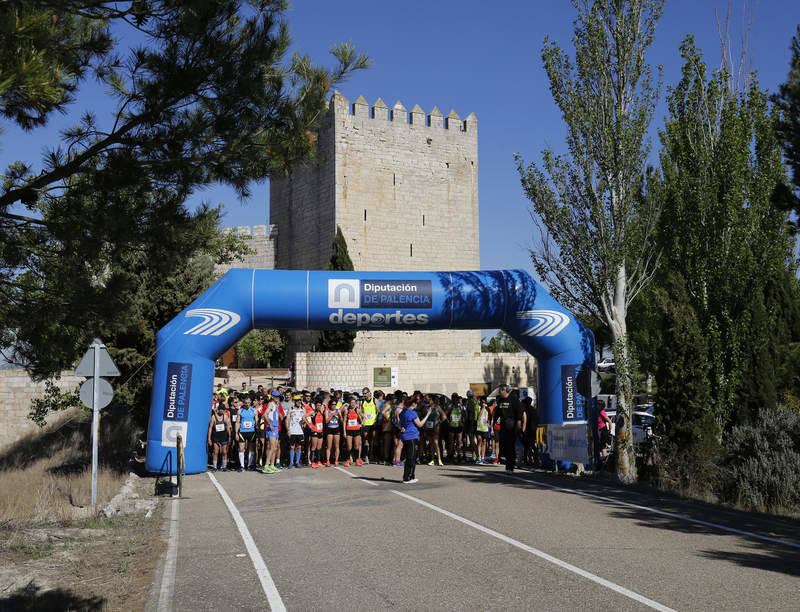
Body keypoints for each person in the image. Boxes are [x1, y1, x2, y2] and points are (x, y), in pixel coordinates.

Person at [399, 398, 432, 483]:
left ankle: (411, 476)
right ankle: (407, 477)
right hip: (411, 436)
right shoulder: (412, 413)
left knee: (410, 457)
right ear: (413, 404)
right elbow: (420, 424)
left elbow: (399, 423)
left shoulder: (402, 412)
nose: (417, 405)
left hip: (405, 436)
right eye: (416, 403)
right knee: (411, 457)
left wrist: (402, 427)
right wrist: (427, 415)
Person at [496, 385, 523, 473]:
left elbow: (520, 410)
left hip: (512, 426)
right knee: (503, 446)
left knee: (510, 446)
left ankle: (510, 466)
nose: (499, 392)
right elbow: (497, 412)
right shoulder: (501, 400)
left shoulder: (513, 399)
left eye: (500, 390)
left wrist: (519, 421)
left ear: (504, 390)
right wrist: (494, 422)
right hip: (503, 426)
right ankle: (508, 463)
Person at [261, 392, 282, 473]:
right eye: (276, 396)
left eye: (278, 397)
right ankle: (266, 465)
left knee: (275, 448)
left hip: (276, 427)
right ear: (272, 397)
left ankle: (272, 465)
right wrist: (269, 424)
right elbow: (265, 415)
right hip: (271, 427)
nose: (277, 398)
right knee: (272, 447)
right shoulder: (271, 404)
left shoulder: (276, 405)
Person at [207, 401, 231, 471]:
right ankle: (215, 467)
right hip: (216, 437)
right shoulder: (214, 417)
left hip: (224, 437)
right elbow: (210, 428)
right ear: (218, 410)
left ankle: (224, 466)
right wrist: (209, 438)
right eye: (220, 409)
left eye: (223, 410)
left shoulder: (225, 417)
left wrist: (229, 437)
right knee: (216, 452)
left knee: (224, 452)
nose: (221, 411)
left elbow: (228, 427)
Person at [424, 396, 447, 466]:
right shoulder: (426, 408)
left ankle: (439, 459)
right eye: (427, 400)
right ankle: (432, 460)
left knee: (436, 443)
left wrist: (439, 423)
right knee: (431, 444)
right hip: (428, 427)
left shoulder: (437, 407)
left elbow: (444, 416)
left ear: (432, 400)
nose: (428, 401)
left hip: (435, 428)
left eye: (429, 400)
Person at [238, 396, 257, 472]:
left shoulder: (254, 410)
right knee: (241, 448)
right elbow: (237, 422)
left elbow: (256, 421)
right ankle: (242, 466)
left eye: (249, 403)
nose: (247, 404)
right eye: (246, 403)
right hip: (242, 431)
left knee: (251, 449)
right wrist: (236, 432)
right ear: (244, 403)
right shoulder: (240, 410)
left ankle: (249, 465)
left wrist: (257, 428)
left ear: (250, 402)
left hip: (251, 431)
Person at [286, 395, 306, 468]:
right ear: (294, 401)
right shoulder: (291, 409)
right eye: (297, 400)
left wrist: (304, 423)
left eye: (300, 400)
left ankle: (297, 462)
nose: (299, 402)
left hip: (300, 431)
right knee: (292, 447)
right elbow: (287, 420)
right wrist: (288, 430)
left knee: (299, 447)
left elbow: (305, 419)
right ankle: (291, 462)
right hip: (293, 431)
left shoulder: (303, 409)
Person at [343, 396, 363, 466]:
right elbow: (344, 421)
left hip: (356, 430)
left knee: (356, 446)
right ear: (349, 403)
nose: (353, 404)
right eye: (351, 402)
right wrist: (344, 431)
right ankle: (348, 460)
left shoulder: (357, 410)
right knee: (349, 446)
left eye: (354, 402)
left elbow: (363, 417)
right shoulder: (347, 410)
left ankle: (357, 460)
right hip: (349, 430)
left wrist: (361, 424)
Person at [360, 387, 378, 464]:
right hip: (366, 423)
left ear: (369, 393)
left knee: (373, 440)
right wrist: (362, 420)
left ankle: (372, 455)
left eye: (365, 393)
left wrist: (376, 420)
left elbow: (378, 411)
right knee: (366, 440)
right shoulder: (362, 401)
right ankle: (366, 456)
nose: (364, 395)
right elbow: (360, 411)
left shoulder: (374, 400)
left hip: (373, 423)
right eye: (363, 393)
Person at [324, 394, 341, 466]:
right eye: (332, 404)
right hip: (329, 429)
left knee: (336, 446)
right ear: (330, 405)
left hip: (336, 429)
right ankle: (328, 460)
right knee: (329, 446)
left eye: (335, 404)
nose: (334, 406)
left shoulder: (338, 411)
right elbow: (326, 421)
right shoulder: (327, 411)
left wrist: (340, 416)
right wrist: (332, 415)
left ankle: (336, 460)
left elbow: (341, 421)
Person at [307, 400, 325, 468]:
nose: (319, 407)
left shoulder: (321, 412)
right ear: (315, 406)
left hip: (320, 431)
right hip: (315, 431)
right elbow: (304, 417)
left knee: (319, 447)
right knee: (313, 447)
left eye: (320, 405)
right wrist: (309, 425)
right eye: (317, 405)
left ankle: (318, 461)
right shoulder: (313, 412)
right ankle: (312, 462)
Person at [447, 394, 464, 463]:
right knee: (451, 442)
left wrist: (463, 421)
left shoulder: (461, 407)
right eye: (453, 398)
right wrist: (448, 422)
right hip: (452, 426)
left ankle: (459, 455)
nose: (455, 400)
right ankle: (451, 456)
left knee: (459, 441)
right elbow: (445, 414)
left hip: (459, 426)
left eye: (456, 398)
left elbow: (464, 415)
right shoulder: (450, 406)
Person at [475, 398, 490, 464]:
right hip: (479, 427)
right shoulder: (478, 408)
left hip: (485, 428)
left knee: (484, 442)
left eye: (484, 402)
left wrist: (488, 423)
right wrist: (482, 408)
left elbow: (489, 418)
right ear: (480, 402)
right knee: (479, 441)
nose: (483, 403)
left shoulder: (487, 409)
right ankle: (479, 457)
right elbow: (478, 417)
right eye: (482, 402)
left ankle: (483, 458)